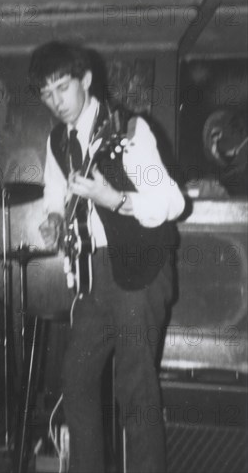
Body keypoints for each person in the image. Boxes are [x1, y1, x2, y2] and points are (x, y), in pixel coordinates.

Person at [29, 42, 185, 473]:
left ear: (86, 80)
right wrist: (56, 219)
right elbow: (55, 190)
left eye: (63, 87)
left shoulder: (129, 129)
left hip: (140, 269)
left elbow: (171, 202)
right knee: (76, 382)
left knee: (135, 390)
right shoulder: (58, 140)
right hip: (92, 275)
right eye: (46, 94)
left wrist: (113, 199)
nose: (56, 102)